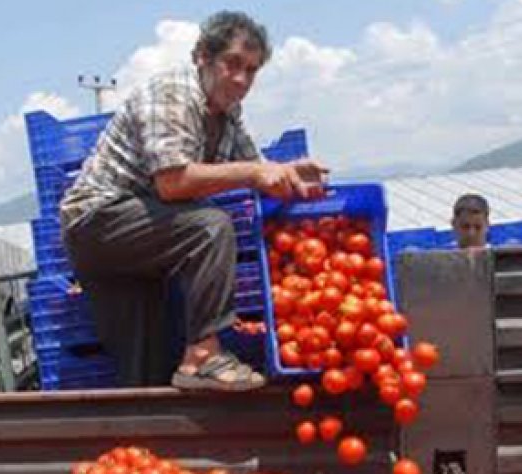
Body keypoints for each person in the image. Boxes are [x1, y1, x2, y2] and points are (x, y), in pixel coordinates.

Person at [59, 11, 328, 392]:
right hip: (99, 225)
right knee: (210, 226)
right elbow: (173, 183)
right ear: (203, 55)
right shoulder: (172, 93)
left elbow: (256, 167)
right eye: (232, 64)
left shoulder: (227, 114)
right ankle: (203, 355)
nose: (241, 79)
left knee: (146, 369)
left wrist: (288, 172)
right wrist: (254, 173)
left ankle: (146, 444)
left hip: (144, 239)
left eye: (251, 70)